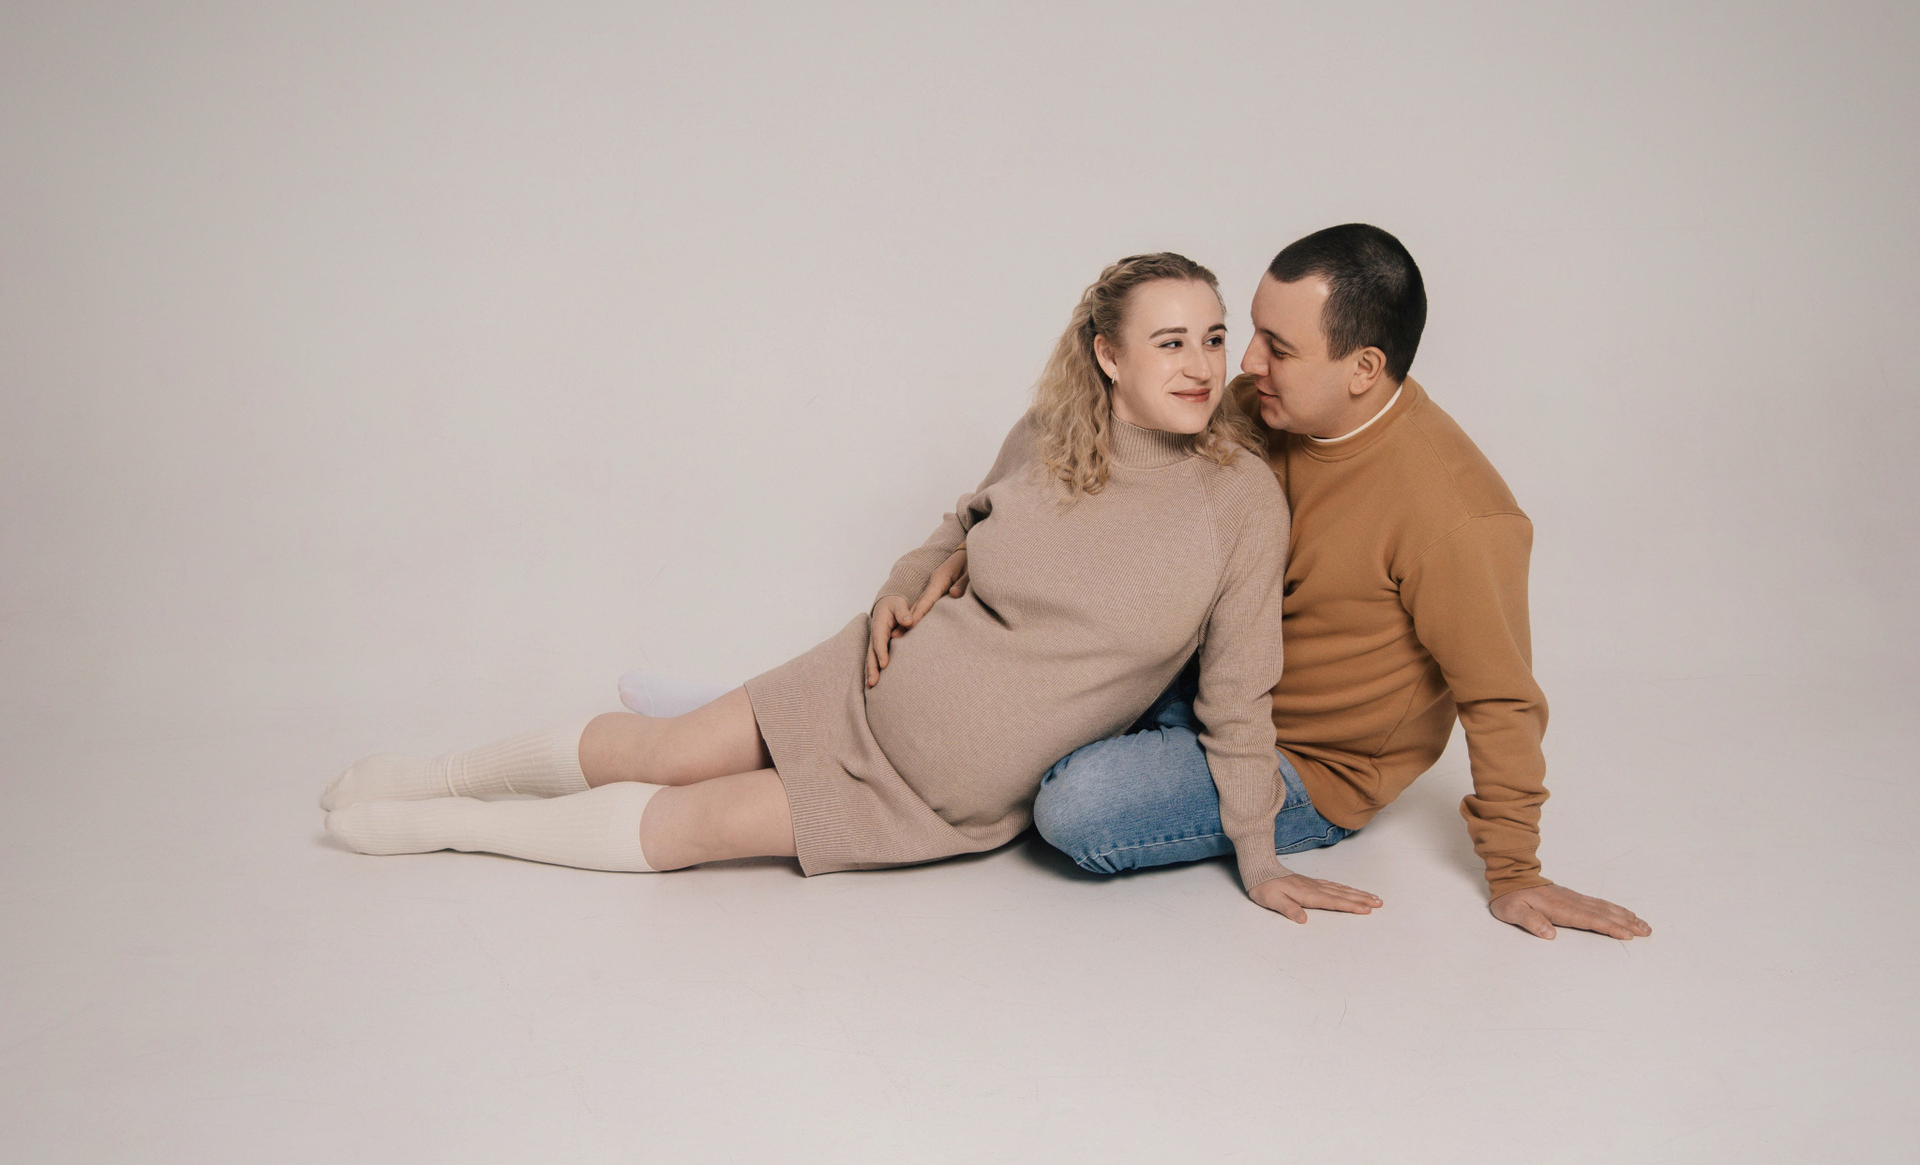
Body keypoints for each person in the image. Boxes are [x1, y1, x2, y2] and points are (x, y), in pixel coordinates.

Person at [321, 253, 1381, 922]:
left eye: (1212, 339)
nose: (1201, 365)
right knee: (663, 749)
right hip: (863, 679)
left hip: (928, 792)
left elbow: (1238, 695)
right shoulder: (1054, 433)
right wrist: (900, 587)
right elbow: (962, 525)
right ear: (1108, 355)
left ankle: (445, 831)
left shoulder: (1240, 503)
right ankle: (440, 776)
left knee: (695, 825)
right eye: (1170, 342)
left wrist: (1258, 854)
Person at [1022, 225, 1653, 940]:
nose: (1247, 362)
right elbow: (1111, 442)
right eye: (1254, 332)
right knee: (1007, 701)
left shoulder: (1457, 514)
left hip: (1302, 762)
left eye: (1280, 348)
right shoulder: (1263, 408)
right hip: (1206, 680)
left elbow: (1501, 699)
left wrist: (1517, 873)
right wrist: (972, 542)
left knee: (1076, 806)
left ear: (1363, 368)